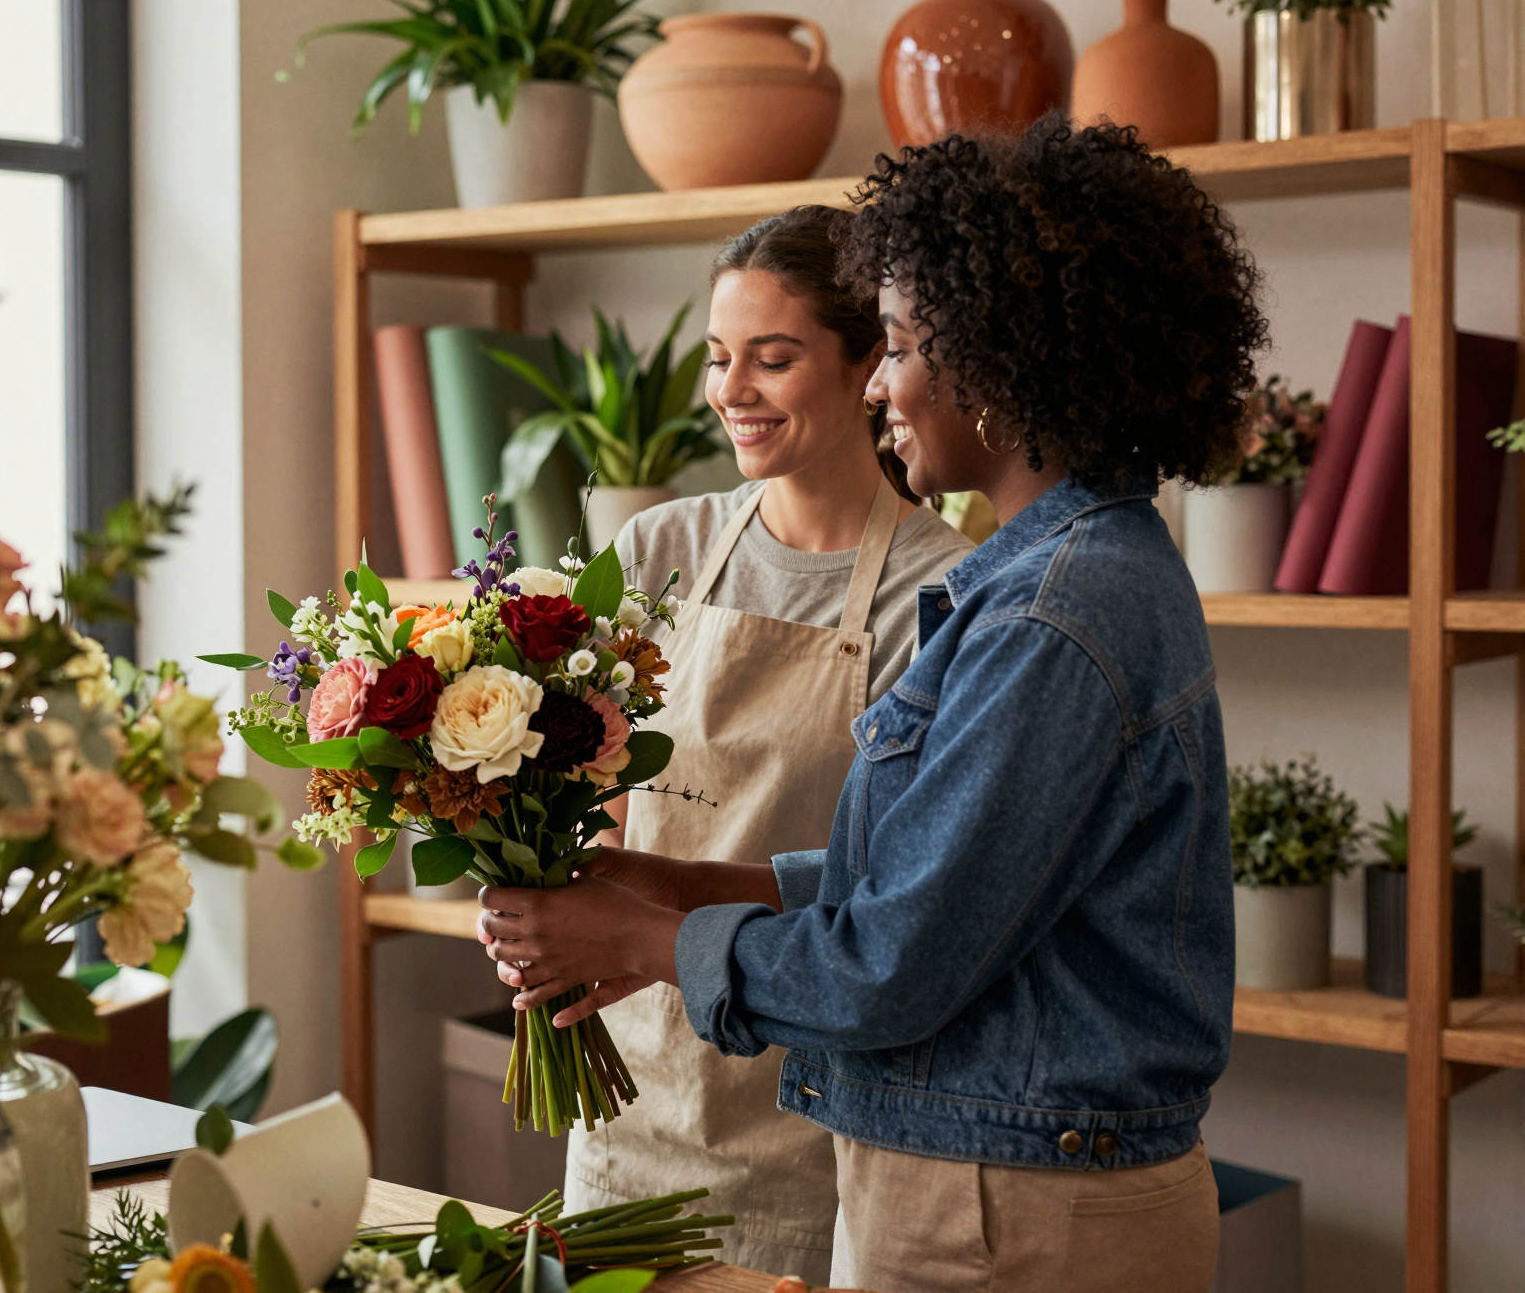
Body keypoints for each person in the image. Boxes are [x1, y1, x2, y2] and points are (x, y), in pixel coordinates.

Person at [478, 117, 1265, 1293]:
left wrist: (644, 939)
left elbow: (892, 961)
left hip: (1010, 1213)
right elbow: (932, 885)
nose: (890, 382)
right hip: (987, 1189)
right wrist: (686, 885)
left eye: (897, 345)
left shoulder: (1048, 616)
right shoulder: (1064, 574)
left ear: (997, 356)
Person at [563, 204, 974, 1284]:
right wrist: (538, 904)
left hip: (809, 1123)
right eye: (718, 359)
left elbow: (893, 893)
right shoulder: (659, 549)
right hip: (628, 1102)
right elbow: (601, 813)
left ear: (869, 365)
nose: (730, 391)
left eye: (773, 358)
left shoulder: (937, 592)